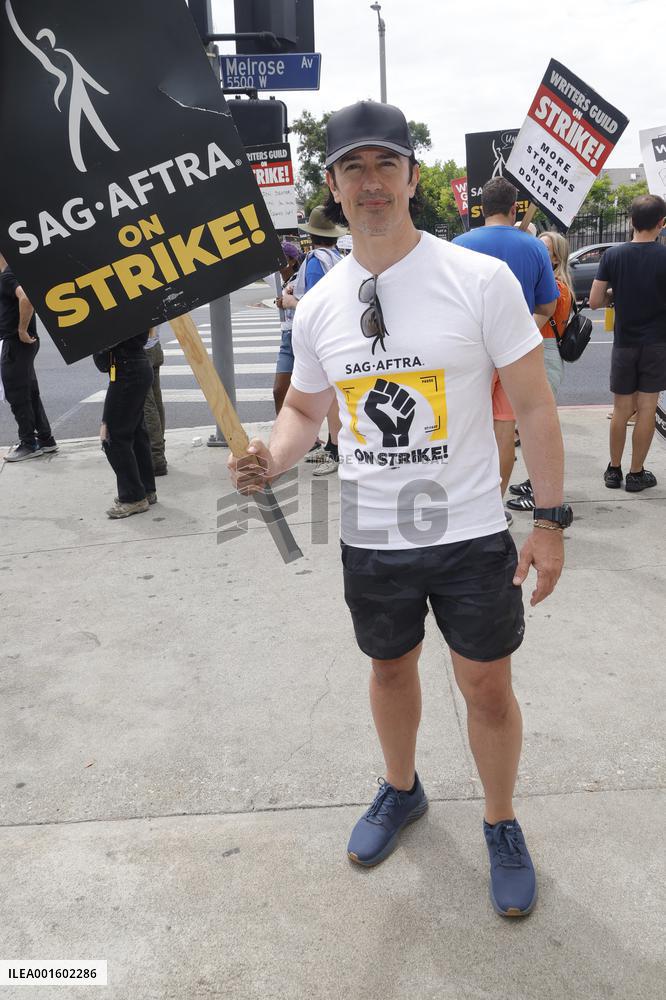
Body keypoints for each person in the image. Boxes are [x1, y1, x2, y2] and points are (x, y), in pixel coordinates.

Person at [229, 101, 570, 918]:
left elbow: (534, 406)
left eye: (386, 165)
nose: (371, 182)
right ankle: (402, 788)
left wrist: (550, 521)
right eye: (354, 168)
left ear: (415, 178)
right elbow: (307, 412)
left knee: (486, 685)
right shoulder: (319, 304)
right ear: (334, 187)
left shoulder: (478, 280)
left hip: (470, 530)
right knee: (388, 668)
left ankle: (500, 820)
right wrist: (271, 456)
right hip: (374, 534)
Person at [453, 179, 559, 521]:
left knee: (467, 429)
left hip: (470, 353)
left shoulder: (457, 245)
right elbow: (547, 304)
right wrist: (520, 334)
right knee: (504, 431)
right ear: (515, 209)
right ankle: (493, 507)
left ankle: (468, 501)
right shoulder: (534, 247)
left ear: (481, 208)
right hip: (515, 359)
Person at [589, 194, 666, 492]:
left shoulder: (613, 256)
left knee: (621, 409)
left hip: (624, 343)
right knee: (647, 407)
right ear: (661, 223)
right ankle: (636, 474)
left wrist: (613, 295)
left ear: (631, 221)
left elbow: (595, 301)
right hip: (657, 344)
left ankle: (614, 470)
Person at [507, 231, 574, 512]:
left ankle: (539, 492)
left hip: (545, 351)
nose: (537, 251)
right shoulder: (551, 284)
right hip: (542, 352)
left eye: (543, 248)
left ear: (556, 257)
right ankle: (533, 481)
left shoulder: (556, 288)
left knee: (536, 427)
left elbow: (539, 315)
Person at [282, 206, 347, 477]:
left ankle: (335, 451)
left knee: (328, 400)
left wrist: (289, 301)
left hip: (320, 336)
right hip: (339, 332)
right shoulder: (339, 257)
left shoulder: (314, 260)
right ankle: (333, 446)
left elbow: (314, 303)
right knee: (333, 398)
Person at [0, 252, 58, 462]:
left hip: (17, 343)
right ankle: (45, 439)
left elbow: (26, 297)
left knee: (16, 393)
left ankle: (28, 443)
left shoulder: (7, 276)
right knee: (30, 391)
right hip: (23, 344)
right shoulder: (15, 272)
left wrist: (21, 330)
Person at [97, 331, 156, 519]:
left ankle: (133, 497)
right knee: (136, 432)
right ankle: (145, 490)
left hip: (127, 369)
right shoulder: (131, 306)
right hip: (134, 366)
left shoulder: (117, 311)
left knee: (111, 435)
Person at [273, 241, 304, 416]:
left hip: (300, 335)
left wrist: (290, 303)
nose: (278, 262)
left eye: (282, 258)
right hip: (287, 338)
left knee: (303, 392)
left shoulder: (301, 278)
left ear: (292, 261)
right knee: (279, 390)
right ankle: (281, 431)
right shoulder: (279, 279)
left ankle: (310, 436)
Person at [143, 325, 167, 476]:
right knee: (155, 403)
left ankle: (156, 458)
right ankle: (159, 455)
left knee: (148, 406)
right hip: (154, 345)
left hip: (142, 349)